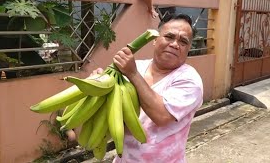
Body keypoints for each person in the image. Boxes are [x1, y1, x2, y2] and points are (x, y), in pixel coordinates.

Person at [68, 13, 203, 162]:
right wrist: (97, 86)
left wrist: (132, 73)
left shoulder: (190, 80)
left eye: (183, 41)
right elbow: (111, 117)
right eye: (169, 37)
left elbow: (162, 116)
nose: (175, 44)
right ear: (155, 39)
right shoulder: (136, 67)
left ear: (188, 48)